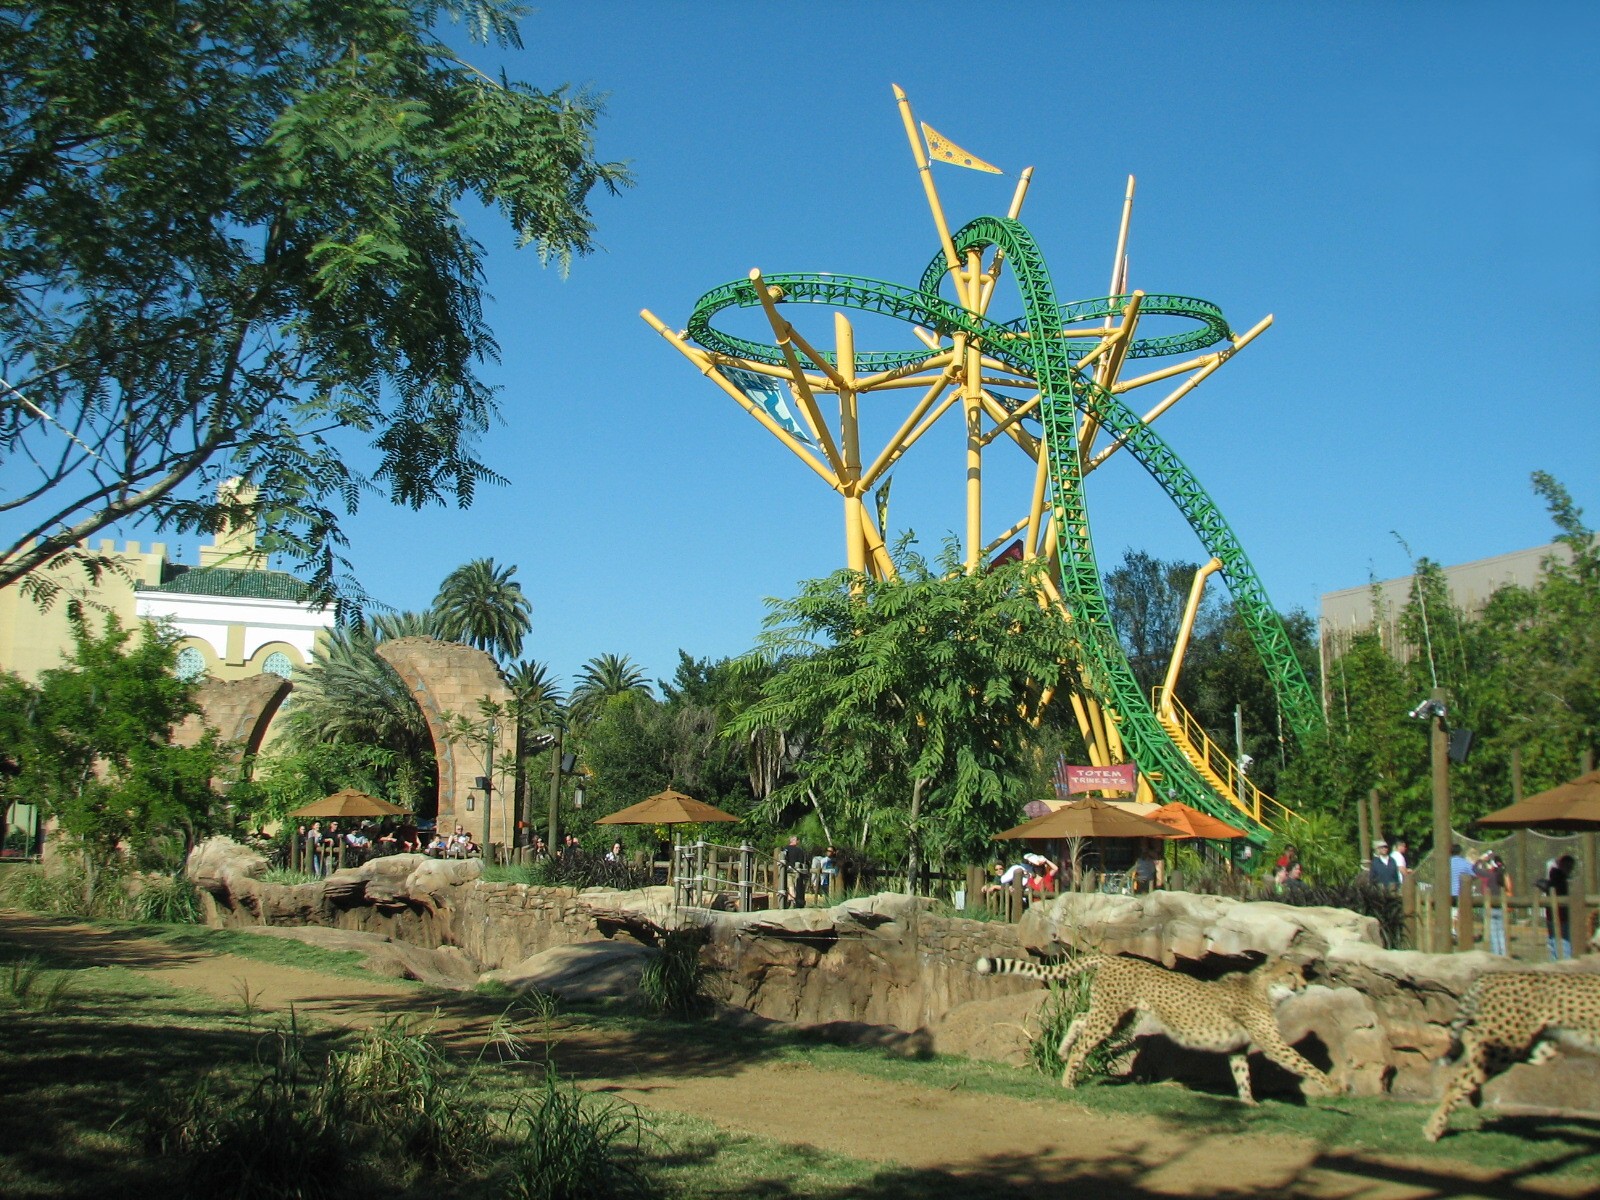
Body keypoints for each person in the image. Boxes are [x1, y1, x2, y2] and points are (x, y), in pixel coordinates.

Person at [1473, 850, 1511, 955]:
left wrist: (1480, 859)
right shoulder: (1502, 874)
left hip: (1490, 907)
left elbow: (1475, 869)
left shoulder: (1489, 875)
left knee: (1493, 933)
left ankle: (1496, 955)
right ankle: (1504, 954)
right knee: (1501, 933)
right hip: (1501, 907)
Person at [1545, 853, 1575, 960]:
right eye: (1569, 867)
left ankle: (1554, 964)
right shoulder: (1560, 879)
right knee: (1563, 943)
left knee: (1553, 943)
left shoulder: (1553, 878)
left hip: (1551, 916)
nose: (1570, 869)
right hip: (1560, 917)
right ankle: (1565, 966)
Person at [782, 835, 808, 908]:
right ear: (794, 841)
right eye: (797, 840)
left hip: (788, 870)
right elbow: (802, 861)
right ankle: (795, 900)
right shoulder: (799, 850)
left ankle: (791, 899)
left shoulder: (785, 849)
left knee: (790, 886)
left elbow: (784, 858)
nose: (798, 842)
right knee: (798, 886)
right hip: (798, 870)